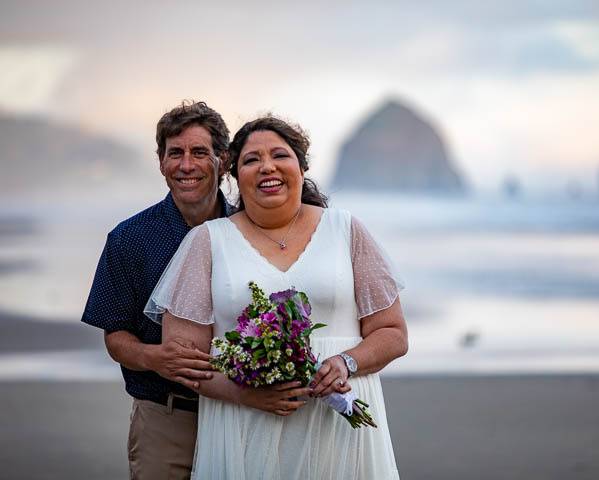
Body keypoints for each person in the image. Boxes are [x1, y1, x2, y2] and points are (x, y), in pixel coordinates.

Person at [144, 115, 409, 479]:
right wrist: (244, 394)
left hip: (335, 428)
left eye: (279, 155)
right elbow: (184, 359)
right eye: (251, 160)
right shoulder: (207, 242)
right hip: (243, 427)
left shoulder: (346, 230)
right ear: (235, 176)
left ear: (301, 167)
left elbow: (393, 333)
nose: (267, 166)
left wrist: (347, 362)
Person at [82, 101, 238, 478]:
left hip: (242, 416)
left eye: (200, 152)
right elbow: (115, 335)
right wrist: (156, 358)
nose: (186, 165)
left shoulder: (249, 232)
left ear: (224, 161)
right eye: (175, 154)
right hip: (165, 418)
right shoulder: (129, 239)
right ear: (161, 162)